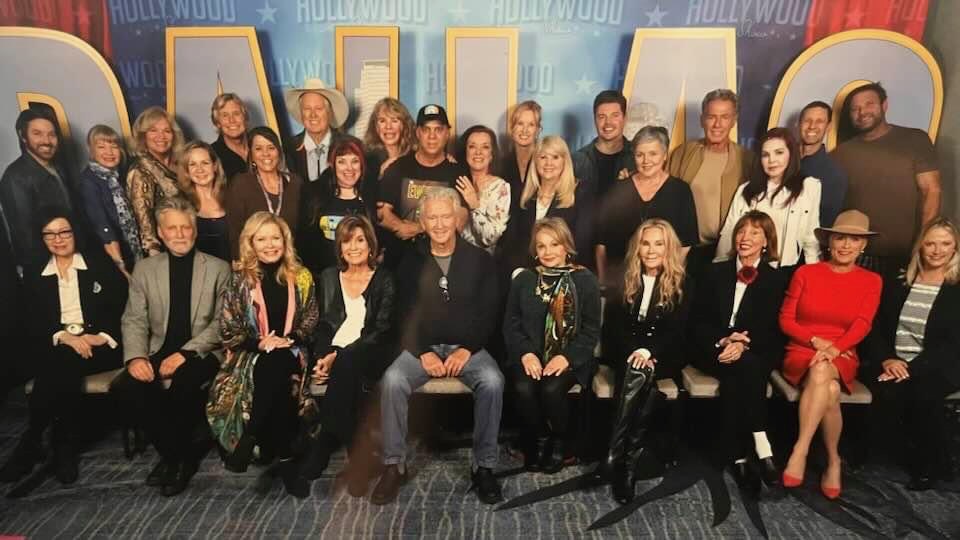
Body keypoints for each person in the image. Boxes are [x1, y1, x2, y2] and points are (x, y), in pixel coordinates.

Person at [371, 188, 503, 505]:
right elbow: (402, 313)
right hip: (423, 348)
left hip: (467, 348)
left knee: (492, 381)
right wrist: (423, 352)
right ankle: (394, 466)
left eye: (446, 216)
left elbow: (490, 311)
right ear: (423, 221)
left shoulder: (480, 259)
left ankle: (484, 467)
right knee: (392, 380)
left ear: (457, 219)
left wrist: (466, 348)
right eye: (433, 217)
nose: (440, 224)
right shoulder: (410, 260)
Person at [111, 197, 231, 497]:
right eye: (172, 228)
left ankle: (176, 461)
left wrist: (185, 353)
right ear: (160, 233)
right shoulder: (144, 269)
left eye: (185, 227)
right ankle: (178, 456)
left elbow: (221, 323)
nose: (179, 234)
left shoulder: (218, 268)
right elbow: (134, 319)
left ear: (195, 230)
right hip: (157, 349)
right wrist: (136, 357)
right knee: (128, 388)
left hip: (202, 351)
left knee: (184, 385)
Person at [0, 210, 126, 485]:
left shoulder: (98, 263)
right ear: (42, 238)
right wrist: (63, 336)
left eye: (64, 232)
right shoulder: (35, 271)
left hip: (100, 346)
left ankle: (33, 442)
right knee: (63, 361)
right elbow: (31, 319)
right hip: (60, 345)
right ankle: (62, 445)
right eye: (50, 234)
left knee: (58, 365)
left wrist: (101, 336)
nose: (58, 240)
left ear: (75, 232)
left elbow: (122, 305)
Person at [207, 212, 318, 498]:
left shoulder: (301, 276)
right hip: (251, 354)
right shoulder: (240, 280)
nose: (270, 245)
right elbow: (228, 328)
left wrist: (289, 339)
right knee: (276, 371)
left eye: (275, 238)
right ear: (251, 243)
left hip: (293, 350)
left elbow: (310, 319)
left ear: (285, 241)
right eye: (262, 239)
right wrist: (260, 343)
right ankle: (287, 462)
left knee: (279, 361)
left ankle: (250, 435)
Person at [778, 209, 882, 500]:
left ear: (864, 245)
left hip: (843, 352)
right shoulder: (806, 273)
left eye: (854, 239)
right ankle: (833, 460)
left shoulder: (872, 280)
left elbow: (863, 323)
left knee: (823, 370)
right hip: (802, 349)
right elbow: (786, 320)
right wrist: (816, 341)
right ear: (829, 242)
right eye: (840, 238)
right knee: (831, 390)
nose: (846, 245)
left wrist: (835, 348)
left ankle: (800, 449)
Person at [690, 211, 787, 491]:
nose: (745, 238)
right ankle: (762, 445)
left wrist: (743, 343)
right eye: (742, 231)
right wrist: (723, 340)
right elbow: (697, 321)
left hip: (753, 348)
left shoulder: (776, 279)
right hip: (713, 347)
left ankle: (738, 456)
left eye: (755, 233)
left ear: (766, 241)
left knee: (741, 371)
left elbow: (772, 327)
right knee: (747, 368)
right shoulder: (713, 272)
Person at [860, 218, 960, 491]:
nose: (937, 251)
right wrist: (887, 359)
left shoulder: (956, 288)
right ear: (920, 247)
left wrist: (910, 369)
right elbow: (875, 328)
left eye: (945, 244)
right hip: (893, 362)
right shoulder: (900, 281)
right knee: (885, 391)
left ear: (955, 248)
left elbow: (952, 345)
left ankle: (931, 465)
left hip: (939, 366)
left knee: (922, 394)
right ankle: (933, 459)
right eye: (930, 244)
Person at [299, 216, 396, 494]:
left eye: (360, 240)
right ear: (339, 248)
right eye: (346, 241)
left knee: (347, 362)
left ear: (370, 245)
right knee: (343, 367)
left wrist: (338, 356)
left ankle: (323, 444)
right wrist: (324, 356)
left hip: (372, 352)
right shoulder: (330, 277)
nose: (353, 247)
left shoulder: (384, 279)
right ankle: (360, 456)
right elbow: (323, 325)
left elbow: (381, 330)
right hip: (336, 354)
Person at [601, 218, 693, 503]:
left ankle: (613, 454)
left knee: (639, 371)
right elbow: (613, 326)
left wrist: (649, 352)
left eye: (659, 244)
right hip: (624, 351)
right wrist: (636, 351)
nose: (651, 250)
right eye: (645, 243)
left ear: (669, 248)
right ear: (637, 248)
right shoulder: (624, 277)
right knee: (639, 373)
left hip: (665, 353)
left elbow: (677, 330)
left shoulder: (684, 283)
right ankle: (628, 462)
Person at [504, 218, 600, 473]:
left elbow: (591, 331)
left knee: (551, 388)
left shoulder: (585, 279)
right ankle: (540, 439)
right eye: (541, 246)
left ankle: (560, 442)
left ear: (566, 246)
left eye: (554, 244)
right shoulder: (524, 279)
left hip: (572, 356)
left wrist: (566, 357)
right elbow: (511, 325)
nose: (548, 252)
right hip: (530, 355)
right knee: (524, 387)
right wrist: (526, 353)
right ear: (535, 250)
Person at [832, 82, 941, 279]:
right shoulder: (841, 154)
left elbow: (931, 191)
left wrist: (923, 243)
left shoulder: (915, 139)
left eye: (869, 104)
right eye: (855, 109)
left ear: (884, 105)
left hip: (905, 253)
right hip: (859, 254)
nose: (862, 112)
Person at [595, 126, 698, 287]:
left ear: (665, 155)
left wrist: (668, 278)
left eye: (653, 154)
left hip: (664, 282)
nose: (646, 161)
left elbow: (686, 243)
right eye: (640, 154)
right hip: (620, 282)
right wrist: (603, 281)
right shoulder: (617, 190)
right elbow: (601, 243)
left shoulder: (680, 191)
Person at [668, 89, 753, 276]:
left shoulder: (747, 160)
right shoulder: (683, 153)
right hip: (684, 250)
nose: (717, 124)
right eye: (711, 117)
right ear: (702, 120)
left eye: (724, 117)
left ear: (734, 120)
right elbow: (663, 193)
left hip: (727, 252)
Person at [377, 104, 469, 269]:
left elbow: (460, 219)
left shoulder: (458, 172)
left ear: (447, 133)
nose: (432, 136)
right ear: (418, 133)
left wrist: (419, 228)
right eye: (426, 130)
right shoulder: (397, 168)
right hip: (399, 260)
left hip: (441, 263)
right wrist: (399, 226)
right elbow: (382, 213)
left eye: (438, 130)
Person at [715, 128, 821, 268]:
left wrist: (813, 272)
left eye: (779, 152)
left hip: (785, 269)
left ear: (791, 154)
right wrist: (719, 268)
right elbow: (729, 232)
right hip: (749, 267)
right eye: (765, 155)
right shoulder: (746, 190)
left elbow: (811, 238)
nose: (771, 160)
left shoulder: (809, 187)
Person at [503, 135, 595, 273]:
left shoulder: (580, 194)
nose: (548, 163)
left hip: (565, 274)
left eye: (555, 157)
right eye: (543, 157)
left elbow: (582, 243)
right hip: (525, 272)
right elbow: (511, 242)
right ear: (535, 161)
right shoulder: (523, 196)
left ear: (565, 161)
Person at [0, 108, 75, 271]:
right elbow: (25, 238)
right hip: (47, 267)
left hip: (71, 258)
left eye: (51, 134)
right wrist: (53, 271)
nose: (46, 141)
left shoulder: (58, 167)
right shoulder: (15, 177)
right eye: (37, 134)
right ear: (23, 136)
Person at [298, 136, 375, 274]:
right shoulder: (314, 194)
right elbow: (304, 242)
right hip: (322, 276)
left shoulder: (371, 196)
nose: (349, 168)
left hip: (361, 277)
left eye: (355, 161)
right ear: (331, 164)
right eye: (342, 162)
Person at [226, 126, 303, 259]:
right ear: (251, 154)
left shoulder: (296, 183)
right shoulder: (241, 184)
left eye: (271, 148)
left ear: (279, 151)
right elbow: (235, 232)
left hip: (292, 261)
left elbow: (304, 231)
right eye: (258, 149)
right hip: (253, 263)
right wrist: (240, 262)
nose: (265, 153)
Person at [76, 124, 141, 275]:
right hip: (112, 253)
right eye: (101, 147)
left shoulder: (121, 174)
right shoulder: (88, 182)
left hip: (132, 247)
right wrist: (120, 264)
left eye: (114, 146)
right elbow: (101, 225)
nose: (109, 152)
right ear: (91, 150)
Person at [127, 106, 186, 257]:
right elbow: (143, 218)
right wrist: (154, 253)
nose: (161, 136)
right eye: (153, 130)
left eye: (167, 131)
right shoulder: (140, 171)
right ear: (143, 136)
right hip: (163, 248)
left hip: (187, 237)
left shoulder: (180, 164)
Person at [455, 125, 510, 253]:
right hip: (454, 256)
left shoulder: (500, 187)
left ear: (492, 154)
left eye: (485, 147)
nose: (478, 152)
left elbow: (489, 239)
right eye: (472, 146)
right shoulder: (458, 182)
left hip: (483, 259)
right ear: (465, 152)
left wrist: (475, 206)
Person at [283, 78, 349, 183]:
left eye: (319, 108)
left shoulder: (348, 146)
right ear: (301, 113)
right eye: (307, 109)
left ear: (329, 112)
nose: (313, 115)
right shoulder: (288, 148)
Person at [573, 90, 634, 201]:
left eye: (615, 116)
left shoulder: (637, 158)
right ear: (595, 120)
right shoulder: (577, 160)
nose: (608, 122)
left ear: (625, 118)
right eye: (602, 116)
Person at [798, 101, 847, 228]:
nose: (812, 126)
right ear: (799, 124)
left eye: (819, 121)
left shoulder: (834, 175)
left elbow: (826, 224)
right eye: (807, 120)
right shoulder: (780, 161)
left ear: (828, 127)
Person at [177, 141, 229, 261]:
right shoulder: (180, 204)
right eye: (193, 164)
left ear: (214, 166)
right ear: (187, 171)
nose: (199, 169)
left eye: (205, 163)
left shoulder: (232, 197)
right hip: (201, 269)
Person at [362, 97, 417, 193]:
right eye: (382, 121)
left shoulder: (416, 156)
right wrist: (380, 176)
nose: (388, 127)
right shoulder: (366, 160)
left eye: (394, 121)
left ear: (404, 125)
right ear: (376, 126)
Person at [501, 100, 542, 215]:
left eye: (531, 125)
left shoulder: (545, 163)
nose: (525, 130)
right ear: (512, 128)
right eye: (520, 123)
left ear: (538, 130)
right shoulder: (501, 163)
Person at [210, 93, 250, 181]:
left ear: (245, 118)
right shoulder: (212, 155)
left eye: (236, 113)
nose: (232, 120)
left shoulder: (260, 145)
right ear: (217, 123)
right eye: (225, 115)